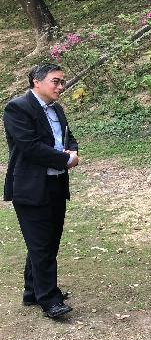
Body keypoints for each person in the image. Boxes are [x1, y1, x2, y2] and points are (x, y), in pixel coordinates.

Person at [4, 63, 79, 319]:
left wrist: (73, 151)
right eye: (56, 81)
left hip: (56, 184)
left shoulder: (57, 109)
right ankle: (49, 299)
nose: (61, 86)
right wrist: (66, 159)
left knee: (47, 241)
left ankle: (32, 291)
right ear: (37, 82)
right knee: (41, 246)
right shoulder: (17, 108)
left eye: (62, 82)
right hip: (31, 186)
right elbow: (30, 147)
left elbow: (68, 137)